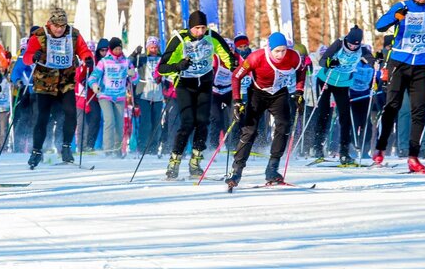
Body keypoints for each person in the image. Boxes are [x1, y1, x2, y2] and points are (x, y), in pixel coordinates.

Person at [373, 0, 425, 172]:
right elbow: (380, 25)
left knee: (419, 111)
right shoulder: (403, 6)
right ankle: (380, 149)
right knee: (392, 107)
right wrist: (396, 17)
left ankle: (413, 157)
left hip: (421, 67)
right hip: (399, 64)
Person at [157, 10, 236, 179]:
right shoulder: (180, 39)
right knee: (187, 123)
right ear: (190, 27)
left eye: (203, 27)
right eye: (197, 28)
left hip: (205, 83)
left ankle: (195, 162)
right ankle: (174, 162)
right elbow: (162, 68)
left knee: (202, 122)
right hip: (185, 84)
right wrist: (178, 65)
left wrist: (235, 69)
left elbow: (227, 56)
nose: (200, 32)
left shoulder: (211, 36)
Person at [227, 32, 306, 187]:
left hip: (278, 93)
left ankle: (272, 169)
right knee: (250, 131)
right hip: (257, 93)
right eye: (277, 51)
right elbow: (236, 76)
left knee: (283, 125)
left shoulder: (293, 57)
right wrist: (237, 101)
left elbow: (301, 71)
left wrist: (299, 91)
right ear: (269, 49)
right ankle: (236, 171)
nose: (281, 55)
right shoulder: (256, 58)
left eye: (283, 50)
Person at [23, 7, 94, 168]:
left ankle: (66, 147)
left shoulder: (73, 34)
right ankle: (36, 151)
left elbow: (84, 50)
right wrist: (33, 56)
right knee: (42, 117)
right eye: (56, 26)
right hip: (45, 83)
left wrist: (87, 58)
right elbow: (27, 57)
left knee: (71, 114)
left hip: (65, 82)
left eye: (62, 26)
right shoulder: (40, 35)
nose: (59, 29)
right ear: (50, 24)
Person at [312, 26, 374, 165]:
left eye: (355, 45)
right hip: (326, 81)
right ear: (347, 39)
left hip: (343, 84)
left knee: (345, 117)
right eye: (351, 44)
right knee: (324, 113)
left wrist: (374, 62)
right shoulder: (339, 44)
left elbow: (371, 59)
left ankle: (344, 151)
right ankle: (317, 147)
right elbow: (323, 61)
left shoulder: (362, 49)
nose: (352, 47)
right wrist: (330, 63)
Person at [87, 37, 138, 156]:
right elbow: (92, 77)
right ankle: (108, 150)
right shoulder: (104, 61)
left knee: (119, 124)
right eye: (116, 49)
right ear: (111, 49)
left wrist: (133, 74)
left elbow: (135, 81)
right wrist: (94, 86)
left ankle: (118, 149)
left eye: (120, 48)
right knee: (109, 121)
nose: (118, 51)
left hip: (119, 96)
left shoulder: (126, 62)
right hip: (105, 95)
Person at [131, 37, 164, 154]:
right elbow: (127, 63)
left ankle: (153, 148)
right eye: (151, 47)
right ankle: (142, 147)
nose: (153, 50)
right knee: (146, 122)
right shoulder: (142, 58)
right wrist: (134, 54)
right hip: (144, 93)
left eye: (155, 47)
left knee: (156, 123)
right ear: (147, 47)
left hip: (158, 94)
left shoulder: (162, 58)